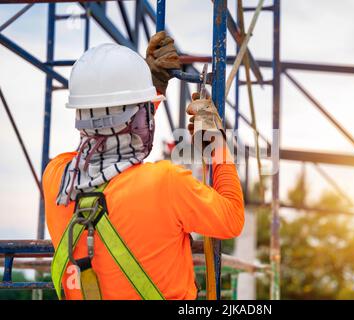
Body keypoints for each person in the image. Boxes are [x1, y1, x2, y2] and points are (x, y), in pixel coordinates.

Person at [43, 32, 244, 300]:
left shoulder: (57, 178)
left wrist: (150, 89)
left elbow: (106, 142)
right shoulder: (167, 184)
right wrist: (216, 145)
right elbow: (232, 218)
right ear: (140, 118)